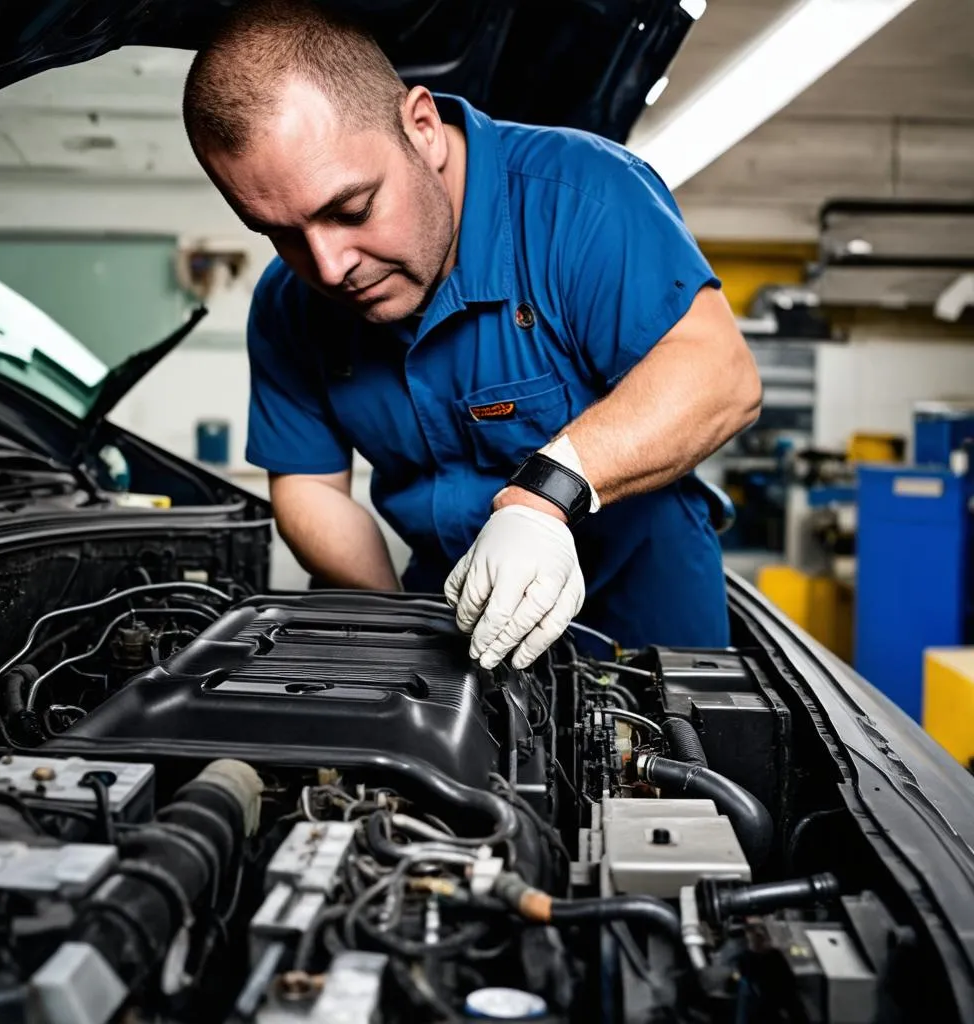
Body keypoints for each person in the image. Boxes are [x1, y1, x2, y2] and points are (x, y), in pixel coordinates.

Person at [182, 0, 762, 671]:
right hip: (451, 617)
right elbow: (309, 487)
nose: (329, 266)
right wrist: (389, 623)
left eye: (351, 208)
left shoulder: (581, 196)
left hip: (643, 617)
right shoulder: (289, 306)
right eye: (282, 234)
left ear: (422, 127)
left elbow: (719, 375)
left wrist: (545, 497)